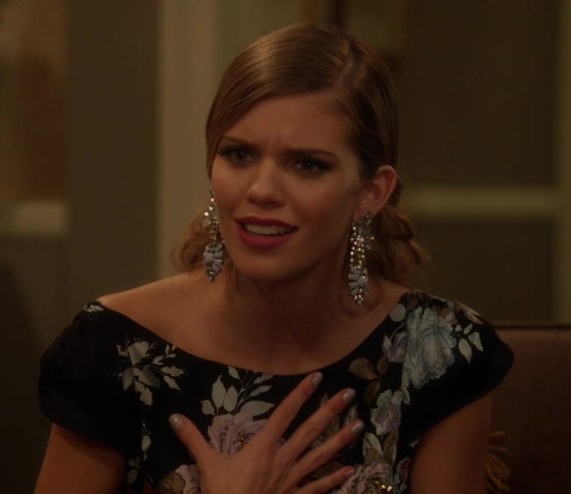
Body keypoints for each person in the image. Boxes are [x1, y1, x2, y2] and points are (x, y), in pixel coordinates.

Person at [35, 23, 513, 494]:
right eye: (239, 155)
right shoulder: (114, 349)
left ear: (371, 192)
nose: (261, 189)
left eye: (307, 164)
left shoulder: (437, 353)